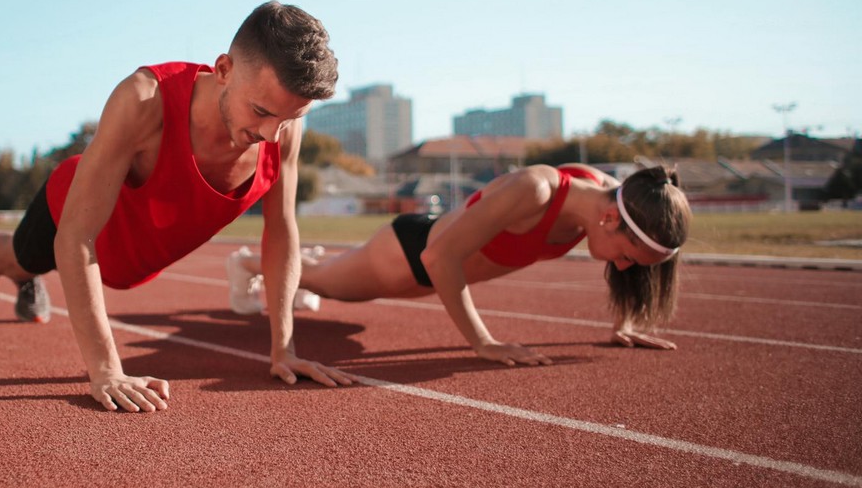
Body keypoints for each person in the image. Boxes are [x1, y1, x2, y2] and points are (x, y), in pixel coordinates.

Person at [0, 0, 353, 412]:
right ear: (223, 70)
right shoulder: (144, 100)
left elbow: (281, 229)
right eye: (260, 112)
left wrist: (283, 349)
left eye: (289, 119)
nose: (273, 135)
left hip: (139, 256)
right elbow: (76, 236)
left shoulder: (282, 123)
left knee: (53, 267)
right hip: (77, 213)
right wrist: (106, 370)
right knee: (23, 259)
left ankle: (22, 277)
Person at [226, 164, 691, 366]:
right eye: (629, 257)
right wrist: (483, 343)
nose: (627, 268)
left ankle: (297, 266)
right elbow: (438, 256)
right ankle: (248, 264)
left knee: (327, 286)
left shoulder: (609, 198)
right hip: (412, 253)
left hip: (441, 273)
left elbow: (630, 261)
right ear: (610, 218)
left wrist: (624, 322)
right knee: (329, 287)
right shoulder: (537, 190)